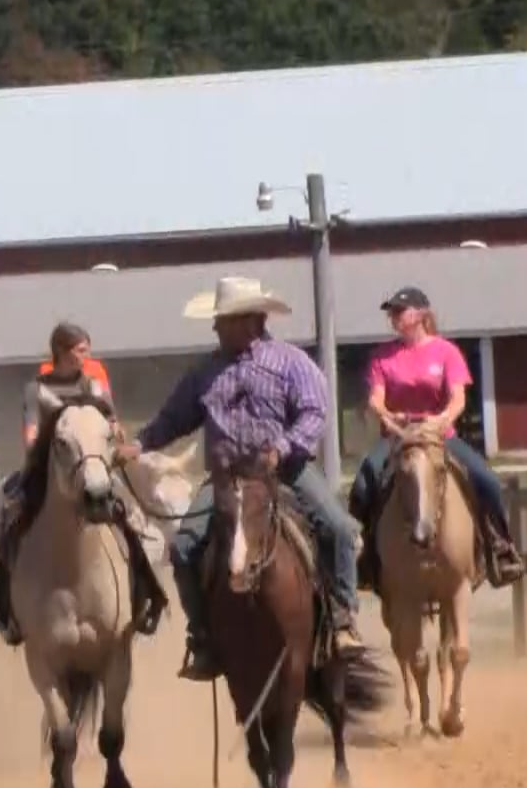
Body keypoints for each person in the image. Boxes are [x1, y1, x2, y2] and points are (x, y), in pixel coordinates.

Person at [114, 275, 367, 682]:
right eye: (218, 320)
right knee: (183, 549)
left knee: (338, 528)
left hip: (286, 472)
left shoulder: (291, 362)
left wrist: (281, 448)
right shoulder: (205, 372)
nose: (216, 327)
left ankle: (341, 620)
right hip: (226, 479)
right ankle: (203, 638)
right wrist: (140, 445)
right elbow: (173, 419)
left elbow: (313, 415)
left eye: (224, 319)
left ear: (253, 319)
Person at [351, 286, 524, 588]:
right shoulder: (382, 356)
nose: (393, 317)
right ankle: (364, 555)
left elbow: (457, 398)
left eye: (399, 311)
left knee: (487, 480)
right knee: (364, 481)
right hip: (398, 437)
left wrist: (441, 420)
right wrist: (392, 421)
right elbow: (376, 400)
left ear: (420, 314)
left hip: (440, 435)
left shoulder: (446, 352)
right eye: (391, 312)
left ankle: (501, 547)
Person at [0, 322, 126, 645]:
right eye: (80, 351)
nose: (86, 356)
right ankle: (4, 608)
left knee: (128, 516)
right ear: (62, 352)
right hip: (49, 469)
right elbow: (31, 430)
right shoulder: (37, 389)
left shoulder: (94, 387)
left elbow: (111, 421)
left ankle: (144, 593)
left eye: (87, 350)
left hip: (92, 467)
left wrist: (115, 432)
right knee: (10, 518)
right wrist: (41, 445)